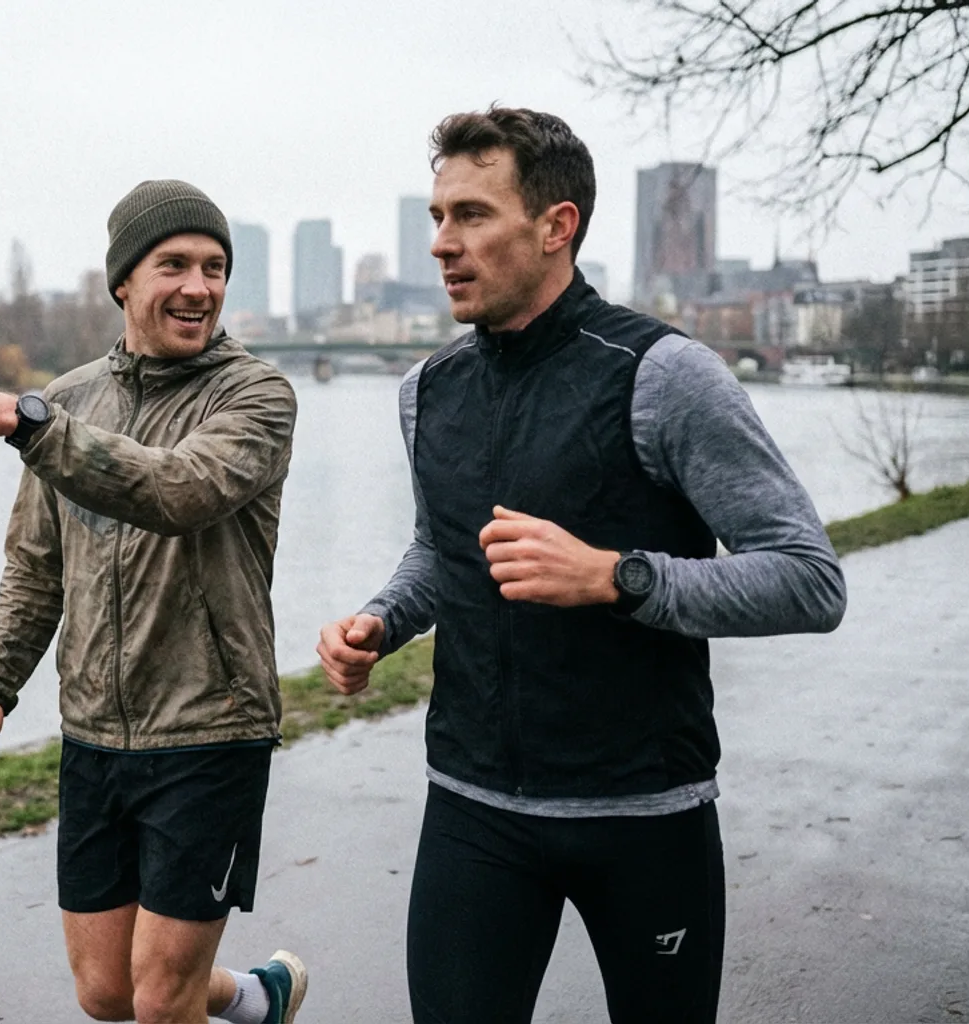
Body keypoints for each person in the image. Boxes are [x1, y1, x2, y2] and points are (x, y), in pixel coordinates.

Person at [316, 107, 847, 1023]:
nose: (442, 242)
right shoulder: (427, 391)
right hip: (472, 808)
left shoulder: (664, 375)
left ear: (556, 225)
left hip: (644, 813)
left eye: (472, 215)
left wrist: (618, 577)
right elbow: (445, 552)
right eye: (438, 217)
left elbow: (808, 578)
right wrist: (382, 620)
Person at [0, 179, 306, 1024]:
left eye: (215, 267)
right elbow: (37, 566)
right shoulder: (70, 400)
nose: (199, 286)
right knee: (109, 992)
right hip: (96, 733)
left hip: (209, 729)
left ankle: (217, 996)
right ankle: (259, 998)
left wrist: (27, 425)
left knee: (160, 997)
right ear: (123, 282)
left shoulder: (254, 396)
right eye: (174, 263)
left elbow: (178, 489)